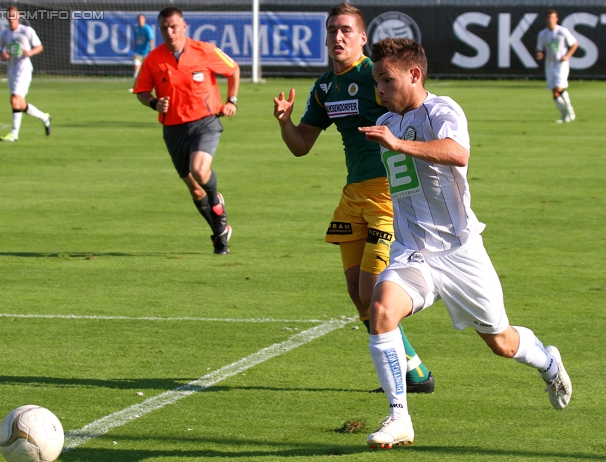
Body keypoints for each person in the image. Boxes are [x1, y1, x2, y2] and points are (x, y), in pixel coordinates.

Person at [357, 37, 572, 449]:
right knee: (381, 310)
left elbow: (457, 153)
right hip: (412, 253)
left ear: (414, 75)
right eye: (376, 82)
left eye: (386, 80)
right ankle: (399, 417)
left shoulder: (442, 110)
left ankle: (547, 362)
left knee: (502, 343)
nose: (379, 89)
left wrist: (398, 145)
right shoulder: (392, 122)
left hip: (459, 254)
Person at [273, 3, 433, 393]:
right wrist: (285, 122)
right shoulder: (325, 86)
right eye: (332, 30)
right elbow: (301, 146)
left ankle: (404, 377)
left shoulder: (377, 75)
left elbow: (417, 106)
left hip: (387, 194)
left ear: (363, 38)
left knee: (371, 291)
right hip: (353, 195)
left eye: (346, 30)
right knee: (355, 292)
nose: (337, 37)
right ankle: (414, 372)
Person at [133, 7, 238, 254]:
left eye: (173, 26)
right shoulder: (153, 59)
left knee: (199, 170)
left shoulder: (204, 50)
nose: (169, 32)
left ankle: (216, 201)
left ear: (183, 26)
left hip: (205, 122)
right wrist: (153, 103)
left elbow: (233, 69)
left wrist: (231, 100)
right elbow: (141, 91)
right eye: (164, 28)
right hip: (173, 128)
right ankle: (219, 233)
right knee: (194, 187)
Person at [0, 6, 51, 142]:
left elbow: (39, 46)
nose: (11, 19)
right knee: (20, 104)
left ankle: (14, 134)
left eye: (13, 16)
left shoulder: (26, 31)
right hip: (12, 70)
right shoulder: (4, 34)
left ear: (18, 17)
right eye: (9, 17)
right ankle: (45, 117)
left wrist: (29, 52)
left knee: (14, 99)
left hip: (24, 69)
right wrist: (3, 55)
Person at [536, 9, 578, 123]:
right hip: (550, 64)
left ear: (556, 19)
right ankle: (564, 116)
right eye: (549, 18)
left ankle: (570, 111)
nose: (550, 20)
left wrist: (567, 56)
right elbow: (539, 48)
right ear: (546, 19)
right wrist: (539, 53)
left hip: (561, 64)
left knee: (559, 88)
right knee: (554, 92)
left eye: (553, 17)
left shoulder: (562, 31)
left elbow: (574, 44)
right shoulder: (543, 34)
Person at [131, 14, 155, 88]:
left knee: (147, 70)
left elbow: (151, 39)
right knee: (136, 69)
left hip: (146, 52)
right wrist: (134, 46)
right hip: (138, 52)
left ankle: (151, 85)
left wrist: (151, 50)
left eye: (142, 18)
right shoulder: (136, 29)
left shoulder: (147, 29)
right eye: (139, 19)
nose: (140, 20)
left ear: (144, 20)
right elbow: (136, 39)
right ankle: (136, 85)